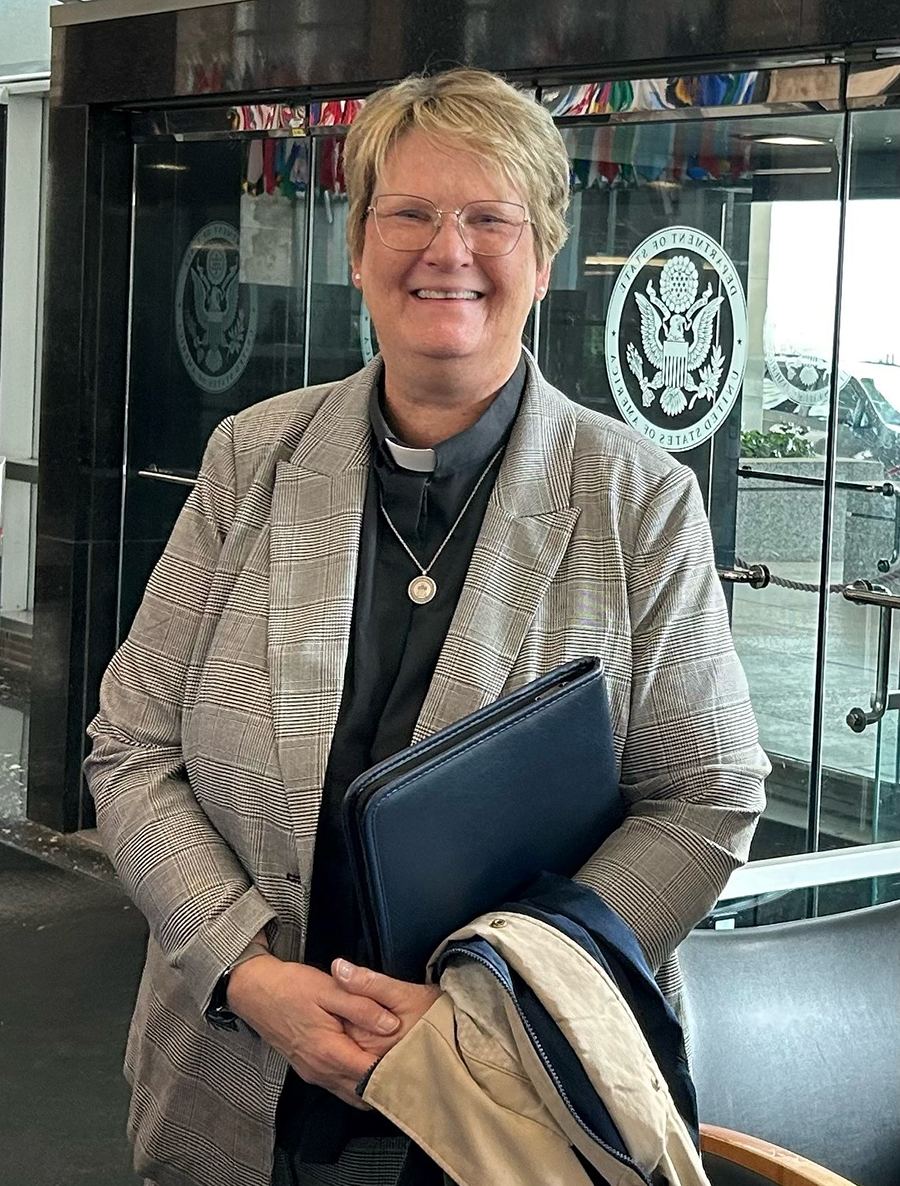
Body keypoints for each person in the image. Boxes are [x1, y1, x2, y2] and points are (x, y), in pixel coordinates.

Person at [85, 67, 769, 1186]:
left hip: (516, 1102)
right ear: (358, 248)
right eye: (408, 212)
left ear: (542, 259)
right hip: (239, 1075)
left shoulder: (638, 498)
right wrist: (247, 971)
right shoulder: (250, 459)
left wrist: (488, 1008)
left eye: (489, 218)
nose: (445, 249)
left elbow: (708, 791)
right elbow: (132, 747)